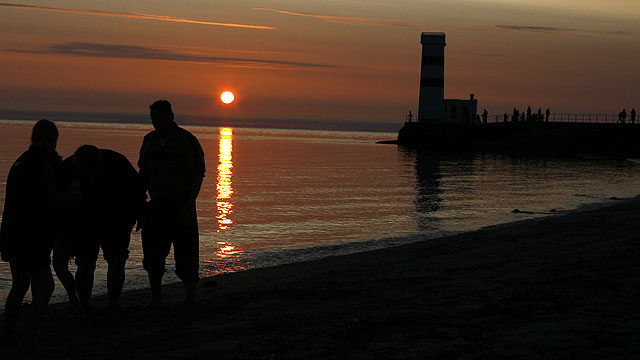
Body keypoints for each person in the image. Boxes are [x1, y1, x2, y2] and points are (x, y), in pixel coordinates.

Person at [54, 145, 145, 310]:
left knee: (116, 261)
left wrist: (137, 216)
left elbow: (138, 191)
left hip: (117, 219)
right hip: (83, 222)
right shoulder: (67, 168)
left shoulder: (117, 163)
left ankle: (113, 303)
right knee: (85, 264)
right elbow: (58, 200)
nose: (85, 175)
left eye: (89, 171)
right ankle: (84, 306)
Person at [138, 100, 205, 308]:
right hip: (156, 204)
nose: (156, 123)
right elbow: (144, 173)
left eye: (159, 118)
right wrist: (141, 203)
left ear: (170, 116)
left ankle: (191, 296)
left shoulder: (187, 140)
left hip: (181, 204)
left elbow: (197, 175)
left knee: (186, 253)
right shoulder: (149, 140)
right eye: (153, 119)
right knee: (153, 255)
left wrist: (189, 203)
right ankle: (156, 299)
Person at [0, 119, 60, 346]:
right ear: (49, 140)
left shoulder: (20, 162)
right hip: (32, 235)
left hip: (13, 233)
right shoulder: (40, 165)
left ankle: (8, 332)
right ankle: (28, 338)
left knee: (20, 284)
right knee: (45, 286)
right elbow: (49, 201)